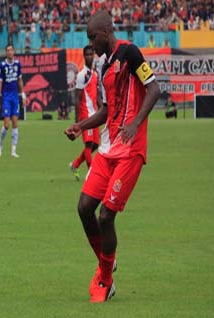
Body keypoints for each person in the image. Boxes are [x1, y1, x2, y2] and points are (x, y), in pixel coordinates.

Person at [64, 10, 160, 303]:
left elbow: (154, 89)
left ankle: (105, 280)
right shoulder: (104, 68)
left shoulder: (130, 53)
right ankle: (108, 262)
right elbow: (106, 111)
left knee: (106, 215)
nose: (91, 44)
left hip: (130, 149)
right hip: (108, 148)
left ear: (107, 31)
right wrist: (80, 125)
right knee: (83, 208)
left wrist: (135, 123)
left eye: (93, 38)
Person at [69, 45, 100, 181]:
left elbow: (97, 95)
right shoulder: (82, 75)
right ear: (84, 56)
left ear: (94, 55)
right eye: (86, 54)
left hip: (95, 114)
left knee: (95, 145)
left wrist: (104, 111)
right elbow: (77, 97)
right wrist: (77, 122)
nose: (89, 56)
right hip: (85, 114)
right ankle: (91, 174)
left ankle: (75, 164)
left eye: (91, 54)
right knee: (88, 145)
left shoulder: (95, 74)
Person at [0, 44, 26, 158]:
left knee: (15, 123)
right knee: (7, 125)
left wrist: (23, 96)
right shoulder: (2, 65)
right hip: (6, 97)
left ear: (14, 52)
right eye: (7, 50)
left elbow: (20, 81)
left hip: (15, 97)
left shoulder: (17, 64)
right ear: (6, 53)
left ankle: (13, 150)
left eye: (11, 50)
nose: (9, 52)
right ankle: (0, 145)